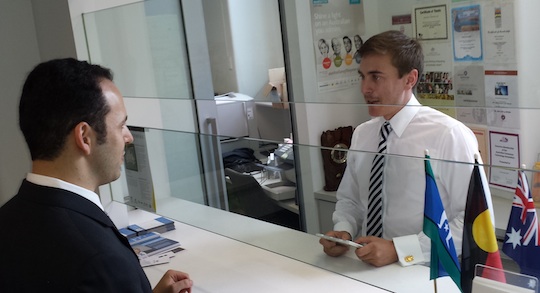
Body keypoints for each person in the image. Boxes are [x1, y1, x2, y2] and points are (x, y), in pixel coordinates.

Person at [0, 58, 193, 292]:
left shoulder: (8, 220)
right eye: (121, 125)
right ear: (85, 137)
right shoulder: (103, 261)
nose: (129, 137)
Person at [319, 31, 483, 268]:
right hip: (365, 270)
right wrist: (344, 232)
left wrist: (399, 250)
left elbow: (471, 221)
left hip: (425, 275)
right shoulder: (363, 134)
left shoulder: (449, 135)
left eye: (376, 77)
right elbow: (351, 200)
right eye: (362, 76)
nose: (365, 88)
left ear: (410, 79)